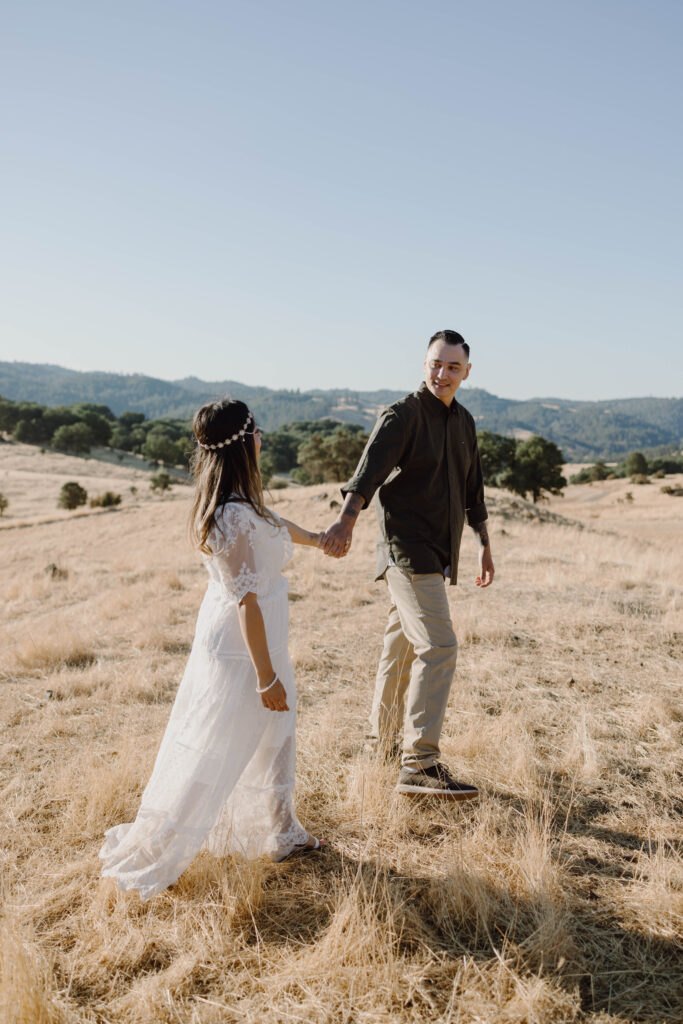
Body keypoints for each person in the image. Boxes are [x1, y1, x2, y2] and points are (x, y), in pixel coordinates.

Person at [100, 398, 324, 900]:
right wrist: (267, 676)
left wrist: (320, 538)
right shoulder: (230, 516)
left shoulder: (240, 502)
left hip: (261, 639)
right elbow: (246, 601)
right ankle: (166, 844)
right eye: (257, 430)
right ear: (244, 443)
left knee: (277, 733)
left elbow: (273, 522)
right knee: (219, 745)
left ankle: (283, 829)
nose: (262, 437)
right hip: (246, 648)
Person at [322, 330, 494, 798]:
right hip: (406, 549)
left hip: (439, 549)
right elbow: (367, 474)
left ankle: (379, 747)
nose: (443, 374)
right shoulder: (401, 416)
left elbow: (472, 487)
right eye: (436, 364)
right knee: (439, 646)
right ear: (424, 364)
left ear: (466, 372)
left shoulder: (464, 423)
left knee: (399, 650)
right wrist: (345, 521)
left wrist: (483, 542)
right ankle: (419, 763)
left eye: (453, 367)